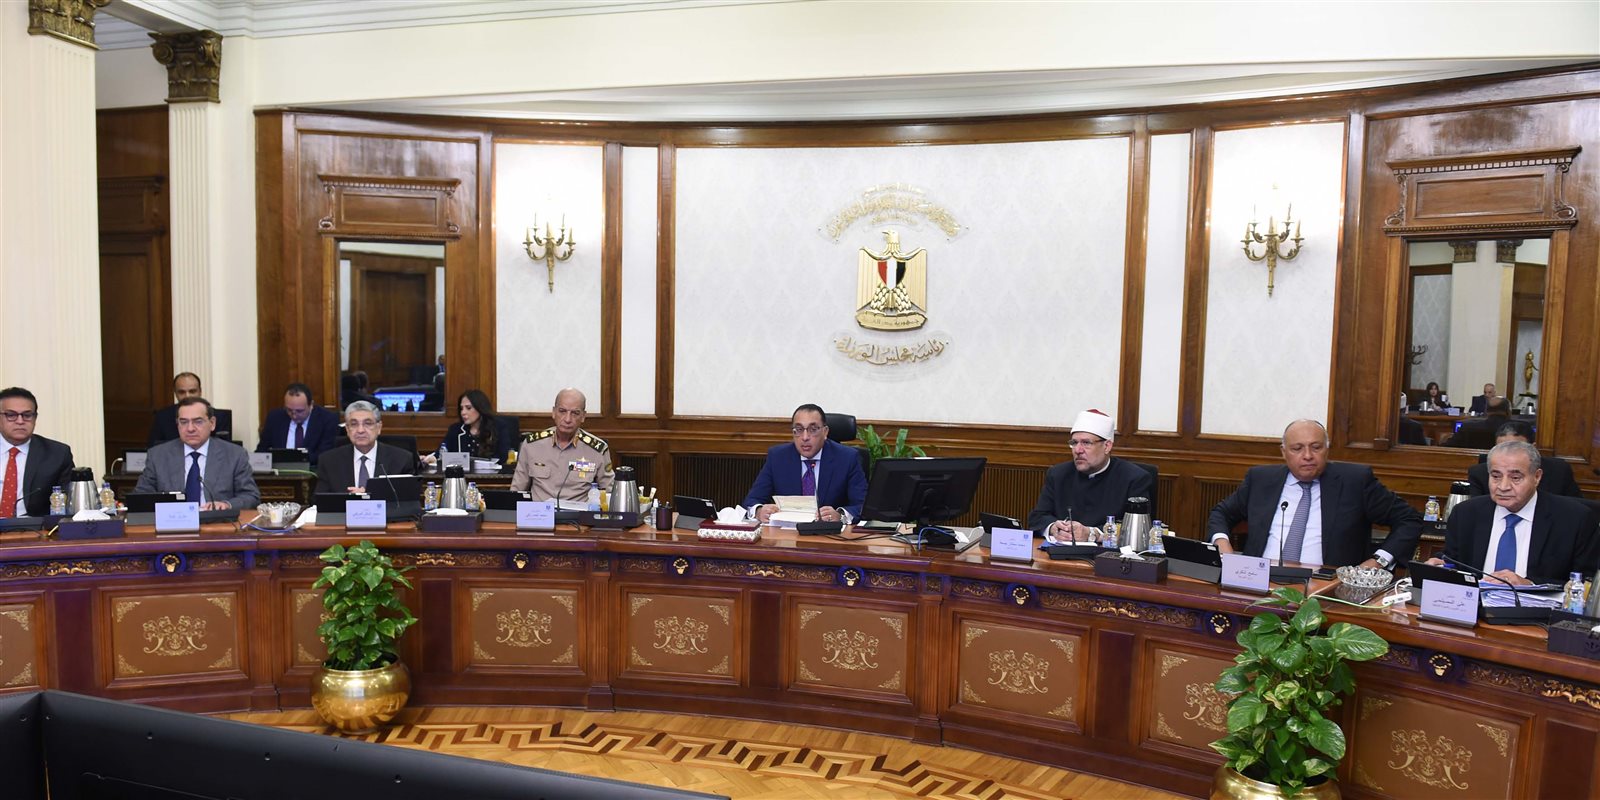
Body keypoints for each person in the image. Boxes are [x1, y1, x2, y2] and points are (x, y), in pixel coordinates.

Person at [1207, 419, 1422, 569]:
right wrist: (1222, 544)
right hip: (1258, 579)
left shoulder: (1355, 482)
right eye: (1297, 448)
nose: (1308, 456)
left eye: (1316, 447)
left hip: (1328, 588)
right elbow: (1221, 513)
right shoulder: (1261, 479)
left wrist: (1378, 561)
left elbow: (1409, 519)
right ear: (1283, 452)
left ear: (1327, 449)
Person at [1430, 440, 1599, 586]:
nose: (1503, 486)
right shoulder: (1466, 514)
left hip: (1537, 611)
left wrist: (1529, 584)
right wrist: (1439, 566)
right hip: (1473, 607)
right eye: (1496, 476)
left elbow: (1587, 582)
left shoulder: (1575, 519)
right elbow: (1452, 561)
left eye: (1515, 478)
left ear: (1537, 477)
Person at [1027, 409, 1153, 542]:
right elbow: (1037, 517)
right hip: (1059, 551)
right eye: (1074, 443)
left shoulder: (1134, 478)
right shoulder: (1058, 474)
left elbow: (1137, 528)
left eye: (1086, 443)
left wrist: (1092, 533)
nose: (1078, 450)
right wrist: (1054, 527)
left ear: (1107, 446)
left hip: (1106, 553)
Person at [743, 403, 867, 524]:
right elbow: (752, 500)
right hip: (787, 533)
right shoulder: (778, 457)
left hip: (830, 533)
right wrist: (759, 511)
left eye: (813, 430)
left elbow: (862, 505)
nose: (805, 437)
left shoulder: (847, 458)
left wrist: (840, 516)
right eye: (799, 430)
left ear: (825, 432)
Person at [134, 397, 259, 510]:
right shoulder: (158, 455)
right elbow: (141, 495)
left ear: (212, 423)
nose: (190, 429)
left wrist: (226, 505)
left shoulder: (234, 455)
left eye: (198, 421)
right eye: (184, 422)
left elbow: (251, 496)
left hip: (217, 523)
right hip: (174, 522)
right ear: (177, 425)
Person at [512, 388, 613, 503]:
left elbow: (609, 493)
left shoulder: (597, 450)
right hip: (539, 512)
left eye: (575, 413)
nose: (568, 419)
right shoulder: (532, 445)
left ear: (583, 416)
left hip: (578, 513)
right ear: (554, 412)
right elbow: (516, 491)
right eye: (562, 411)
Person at [0, 387, 75, 517]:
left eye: (27, 415)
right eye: (11, 415)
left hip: (36, 527)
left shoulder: (57, 454)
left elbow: (70, 504)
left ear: (35, 418)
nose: (20, 421)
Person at [315, 402, 416, 494]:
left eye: (367, 423)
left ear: (379, 427)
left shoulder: (401, 460)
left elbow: (407, 500)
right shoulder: (329, 461)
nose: (360, 430)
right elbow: (321, 501)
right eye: (354, 424)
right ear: (347, 429)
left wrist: (370, 496)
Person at [1467, 420, 1581, 498]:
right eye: (1502, 449)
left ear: (1533, 448)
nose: (1508, 455)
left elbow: (1574, 509)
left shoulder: (1558, 470)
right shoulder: (1480, 473)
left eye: (1515, 449)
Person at [255, 383, 340, 464]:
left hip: (312, 470)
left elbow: (325, 455)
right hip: (279, 471)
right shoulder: (274, 418)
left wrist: (295, 459)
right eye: (289, 410)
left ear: (311, 405)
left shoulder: (327, 420)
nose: (294, 415)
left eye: (299, 411)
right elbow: (262, 450)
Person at [149, 373, 233, 446]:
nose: (187, 396)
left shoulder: (219, 417)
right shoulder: (162, 417)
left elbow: (224, 449)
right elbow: (155, 449)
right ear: (175, 393)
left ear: (200, 391)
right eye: (182, 392)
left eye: (192, 391)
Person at [442, 389, 519, 462]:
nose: (463, 412)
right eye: (461, 408)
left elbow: (504, 456)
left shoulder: (499, 427)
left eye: (468, 408)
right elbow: (442, 451)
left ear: (480, 408)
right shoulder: (456, 429)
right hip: (462, 471)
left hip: (492, 471)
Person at [1446, 395, 1511, 449]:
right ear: (1508, 411)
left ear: (1486, 411)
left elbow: (1447, 447)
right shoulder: (1515, 429)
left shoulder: (1467, 427)